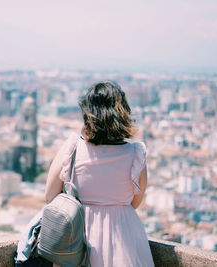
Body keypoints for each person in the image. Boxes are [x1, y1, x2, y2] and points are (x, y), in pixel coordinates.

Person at [45, 81, 155, 267]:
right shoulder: (136, 153)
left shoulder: (73, 147)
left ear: (88, 113)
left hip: (77, 235)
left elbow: (50, 196)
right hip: (123, 234)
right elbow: (135, 201)